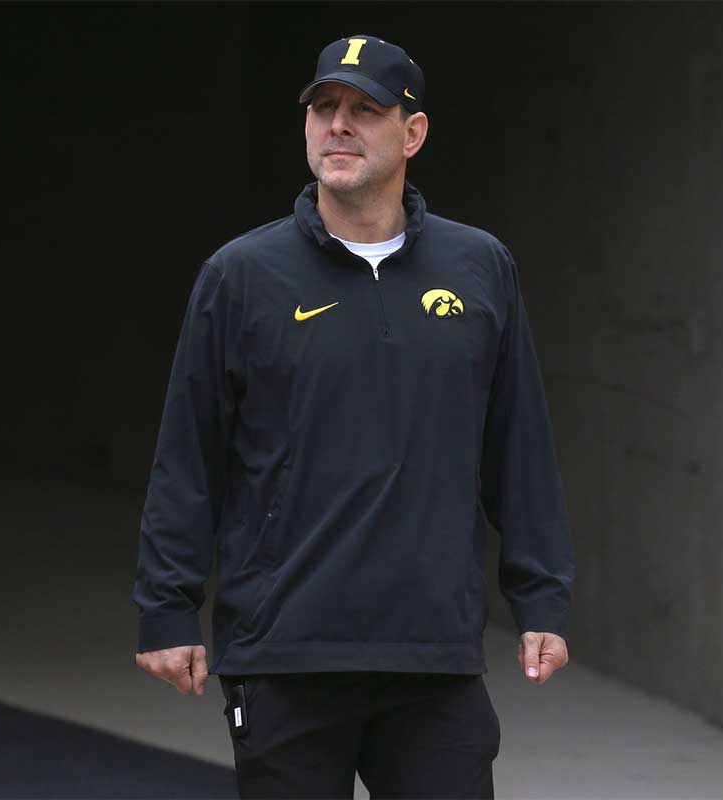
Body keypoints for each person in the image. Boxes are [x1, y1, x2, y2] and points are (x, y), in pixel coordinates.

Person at [133, 33, 575, 799]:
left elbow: (518, 442)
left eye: (365, 110)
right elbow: (189, 454)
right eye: (324, 108)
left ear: (413, 133)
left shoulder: (479, 268)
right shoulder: (241, 276)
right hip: (285, 651)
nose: (337, 126)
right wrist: (167, 610)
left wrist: (541, 596)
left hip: (431, 654)